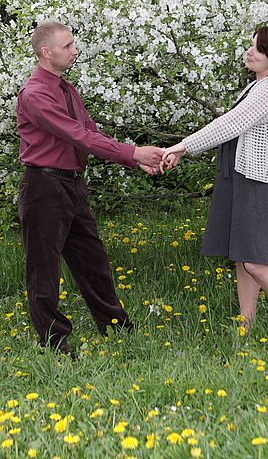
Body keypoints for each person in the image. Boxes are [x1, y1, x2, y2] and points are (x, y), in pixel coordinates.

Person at [16, 20, 164, 356]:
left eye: (73, 44)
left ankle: (115, 327)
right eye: (67, 46)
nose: (75, 50)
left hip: (71, 185)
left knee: (92, 261)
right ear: (46, 51)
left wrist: (134, 160)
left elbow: (91, 132)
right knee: (44, 270)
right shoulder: (36, 94)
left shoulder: (67, 89)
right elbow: (76, 135)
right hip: (43, 187)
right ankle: (54, 344)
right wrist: (134, 151)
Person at [158, 25, 268, 331]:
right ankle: (246, 324)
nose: (249, 52)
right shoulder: (258, 86)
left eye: (258, 49)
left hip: (258, 180)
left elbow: (231, 123)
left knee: (257, 261)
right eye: (250, 45)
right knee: (243, 257)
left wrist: (183, 147)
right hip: (240, 176)